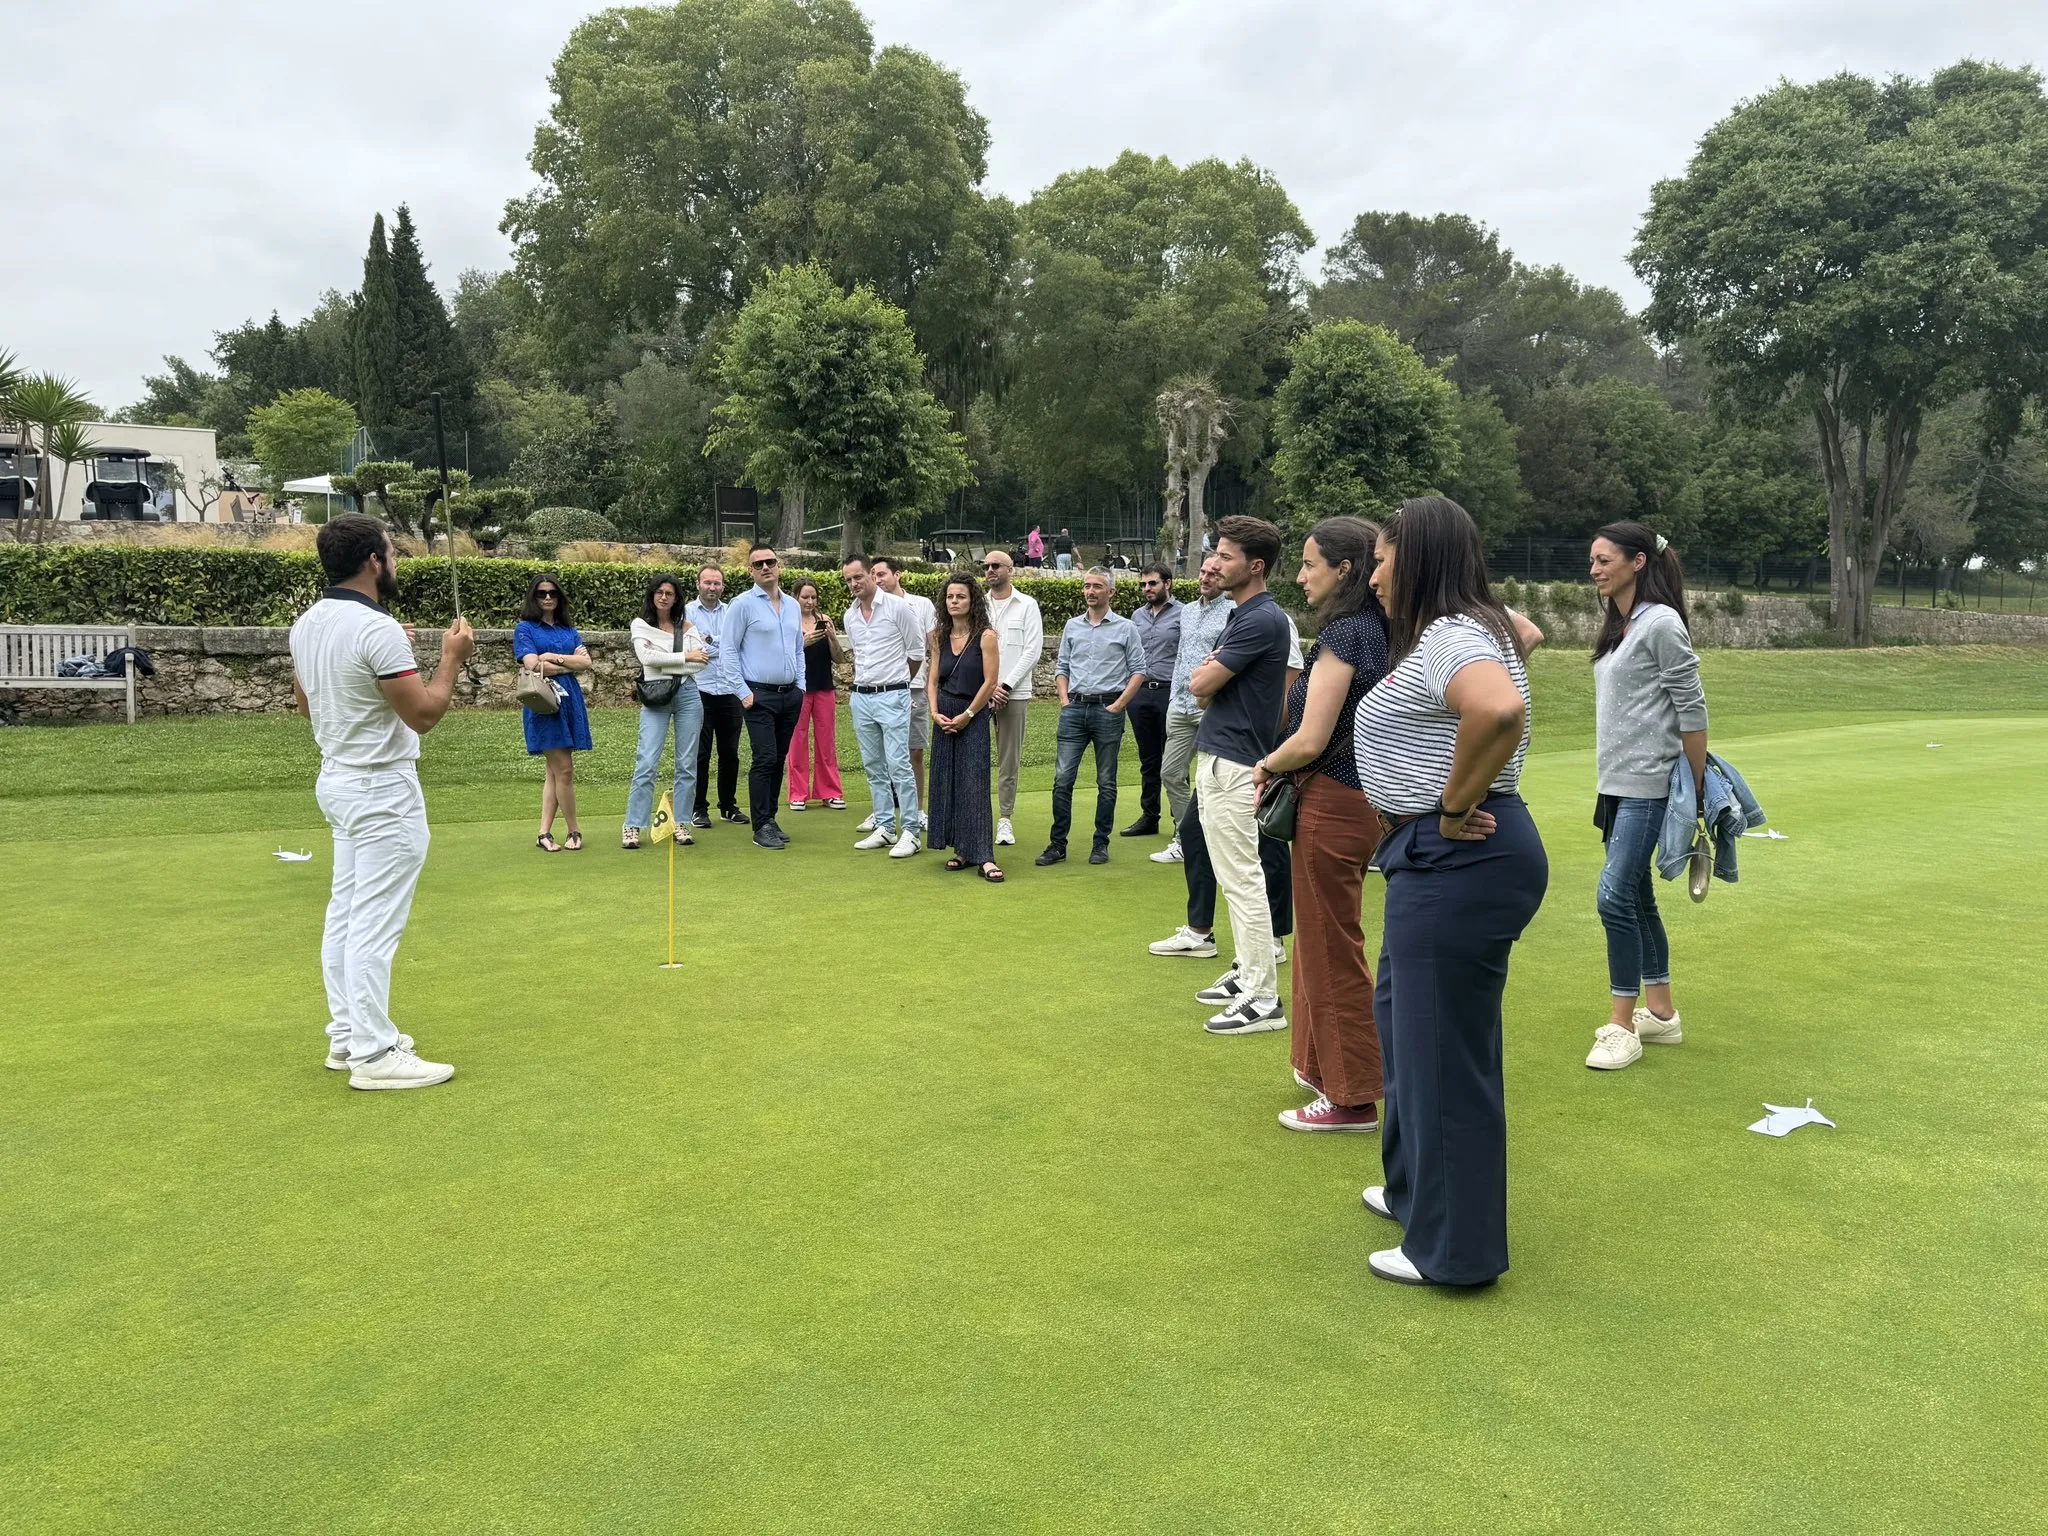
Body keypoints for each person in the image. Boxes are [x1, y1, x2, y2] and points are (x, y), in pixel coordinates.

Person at [1354, 496, 1548, 1289]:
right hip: (1437, 858)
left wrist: (1453, 805)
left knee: (1441, 1053)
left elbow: (1496, 707)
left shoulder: (1452, 636)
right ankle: (1415, 1192)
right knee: (1406, 1030)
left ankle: (1452, 1252)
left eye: (1382, 560)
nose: (1373, 578)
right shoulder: (1476, 628)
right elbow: (1526, 637)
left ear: (1421, 558)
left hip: (1458, 854)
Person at [289, 512, 475, 1090]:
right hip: (382, 789)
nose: (395, 561)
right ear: (373, 561)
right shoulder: (379, 629)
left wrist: (392, 661)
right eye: (391, 553)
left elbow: (307, 705)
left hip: (338, 781)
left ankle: (348, 1036)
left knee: (346, 912)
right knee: (371, 921)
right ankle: (373, 1054)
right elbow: (424, 714)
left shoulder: (307, 623)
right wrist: (451, 658)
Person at [1252, 518, 1390, 1132]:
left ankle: (1352, 1096)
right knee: (1319, 943)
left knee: (1332, 948)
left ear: (1345, 570)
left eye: (1311, 564)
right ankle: (1324, 1070)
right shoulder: (1383, 628)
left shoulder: (1347, 632)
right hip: (1359, 802)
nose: (1302, 576)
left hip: (1333, 801)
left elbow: (1311, 738)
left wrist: (1266, 764)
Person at [1583, 520, 1708, 1071]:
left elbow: (1693, 711)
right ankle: (1660, 1014)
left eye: (1604, 560)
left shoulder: (1660, 623)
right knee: (1636, 897)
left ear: (1638, 562)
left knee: (1613, 897)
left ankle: (1621, 1025)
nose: (1594, 570)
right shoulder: (1620, 623)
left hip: (1649, 785)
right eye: (1592, 560)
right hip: (1615, 784)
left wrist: (1696, 792)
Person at [1186, 516, 1294, 1034]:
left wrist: (1208, 675)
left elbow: (1200, 684)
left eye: (1226, 557)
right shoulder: (1240, 614)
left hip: (1235, 761)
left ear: (1255, 566)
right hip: (1219, 754)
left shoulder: (1263, 618)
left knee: (1243, 877)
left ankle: (1263, 997)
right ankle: (1247, 972)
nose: (1215, 563)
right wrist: (1208, 677)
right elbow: (1203, 689)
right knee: (1232, 877)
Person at [1038, 567, 1145, 866]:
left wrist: (1120, 705)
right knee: (1062, 780)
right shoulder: (1073, 626)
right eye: (1087, 586)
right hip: (1074, 709)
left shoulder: (1126, 628)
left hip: (1108, 709)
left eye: (1097, 586)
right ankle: (1057, 845)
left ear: (1111, 592)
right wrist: (1064, 700)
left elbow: (1138, 670)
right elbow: (1062, 667)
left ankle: (1101, 843)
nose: (1090, 591)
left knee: (1106, 781)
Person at [840, 554, 927, 857]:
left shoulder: (898, 607)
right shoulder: (850, 616)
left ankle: (911, 832)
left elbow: (916, 652)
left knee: (898, 764)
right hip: (861, 697)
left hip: (893, 695)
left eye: (858, 577)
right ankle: (886, 827)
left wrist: (899, 685)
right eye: (848, 580)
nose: (854, 583)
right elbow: (859, 656)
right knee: (873, 765)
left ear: (871, 575)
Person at [1151, 553, 1232, 865]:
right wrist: (1173, 696)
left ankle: (1209, 842)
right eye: (1203, 571)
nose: (1206, 578)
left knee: (1213, 779)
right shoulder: (1186, 612)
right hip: (1181, 705)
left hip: (1213, 707)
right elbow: (1181, 656)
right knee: (1171, 773)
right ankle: (1188, 839)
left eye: (1213, 573)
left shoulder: (1234, 612)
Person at [724, 543, 805, 849]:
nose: (765, 567)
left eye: (770, 561)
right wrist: (742, 692)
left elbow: (798, 649)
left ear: (778, 564)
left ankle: (770, 818)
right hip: (758, 695)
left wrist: (801, 686)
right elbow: (728, 650)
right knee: (765, 758)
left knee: (779, 758)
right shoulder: (742, 605)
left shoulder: (792, 605)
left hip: (789, 694)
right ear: (750, 571)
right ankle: (761, 826)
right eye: (758, 564)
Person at [927, 573, 1004, 880]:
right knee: (948, 782)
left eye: (960, 596)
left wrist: (969, 714)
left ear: (973, 601)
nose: (954, 601)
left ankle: (984, 856)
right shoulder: (938, 636)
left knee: (974, 783)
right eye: (950, 597)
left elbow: (990, 682)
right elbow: (932, 680)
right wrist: (935, 713)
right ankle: (962, 849)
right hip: (944, 716)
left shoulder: (986, 636)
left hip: (972, 714)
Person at [624, 572, 709, 850]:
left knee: (687, 764)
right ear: (652, 595)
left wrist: (667, 661)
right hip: (655, 697)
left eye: (669, 593)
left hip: (687, 695)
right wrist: (685, 656)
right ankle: (633, 825)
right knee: (647, 762)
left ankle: (681, 822)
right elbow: (647, 658)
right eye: (659, 592)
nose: (663, 597)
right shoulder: (640, 625)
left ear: (676, 598)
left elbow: (701, 663)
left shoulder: (687, 627)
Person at [515, 572, 594, 852]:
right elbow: (533, 665)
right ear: (533, 597)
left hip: (569, 700)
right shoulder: (525, 628)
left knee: (554, 771)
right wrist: (566, 664)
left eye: (552, 593)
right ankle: (574, 830)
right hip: (544, 702)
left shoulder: (567, 629)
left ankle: (544, 833)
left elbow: (586, 663)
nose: (548, 597)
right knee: (565, 770)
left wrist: (553, 658)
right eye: (541, 593)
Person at [981, 549, 1044, 848]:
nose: (990, 570)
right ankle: (976, 817)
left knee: (1008, 761)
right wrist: (988, 687)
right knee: (975, 758)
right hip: (979, 694)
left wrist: (1004, 686)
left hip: (1014, 694)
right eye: (986, 566)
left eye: (996, 565)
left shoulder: (1027, 605)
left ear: (1010, 569)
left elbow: (1032, 651)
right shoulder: (978, 604)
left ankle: (1005, 819)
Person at [871, 556, 936, 813]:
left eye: (881, 574)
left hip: (915, 687)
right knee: (881, 753)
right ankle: (882, 812)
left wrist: (933, 683)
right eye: (873, 575)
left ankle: (918, 811)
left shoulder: (922, 605)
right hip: (882, 690)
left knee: (914, 751)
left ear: (897, 575)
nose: (877, 580)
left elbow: (934, 647)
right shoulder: (870, 607)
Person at [1121, 564, 1181, 839]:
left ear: (1167, 583)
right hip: (1141, 693)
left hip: (1170, 693)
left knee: (1174, 758)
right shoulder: (1137, 616)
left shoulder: (1184, 614)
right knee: (1148, 758)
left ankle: (1180, 820)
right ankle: (1149, 816)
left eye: (1152, 583)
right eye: (1143, 584)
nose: (1147, 589)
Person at [686, 565, 745, 829]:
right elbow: (694, 648)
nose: (712, 587)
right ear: (698, 584)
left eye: (717, 583)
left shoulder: (732, 611)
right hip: (700, 690)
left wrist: (710, 641)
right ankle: (698, 808)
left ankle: (728, 806)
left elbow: (738, 646)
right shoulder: (687, 612)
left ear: (723, 586)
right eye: (707, 582)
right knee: (700, 753)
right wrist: (721, 644)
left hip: (730, 690)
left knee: (730, 753)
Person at [787, 579, 849, 812]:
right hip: (799, 688)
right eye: (805, 597)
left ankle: (830, 792)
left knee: (826, 741)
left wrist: (831, 637)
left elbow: (839, 658)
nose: (810, 602)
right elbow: (783, 656)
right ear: (795, 597)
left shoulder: (825, 620)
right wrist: (803, 643)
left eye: (813, 597)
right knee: (797, 741)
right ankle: (798, 794)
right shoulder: (788, 622)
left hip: (824, 688)